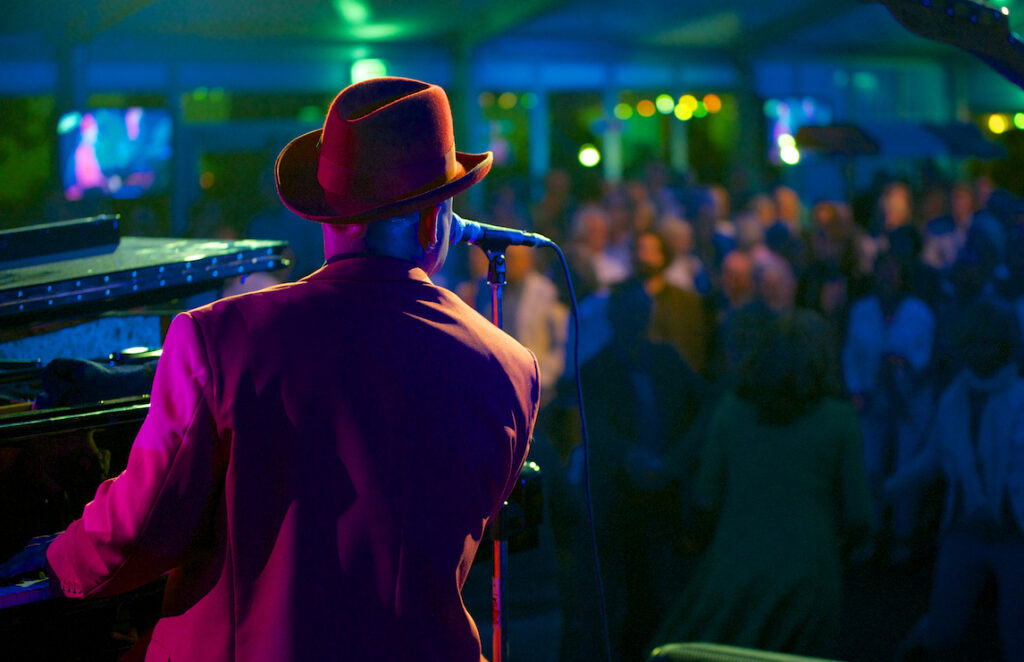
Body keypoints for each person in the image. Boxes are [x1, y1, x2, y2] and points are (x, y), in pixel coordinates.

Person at [0, 76, 541, 662]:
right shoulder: (513, 367)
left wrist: (54, 558)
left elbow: (140, 530)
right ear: (437, 222)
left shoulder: (220, 337)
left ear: (324, 211)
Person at [651, 310, 872, 658]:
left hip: (734, 568)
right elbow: (859, 515)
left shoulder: (732, 412)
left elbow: (706, 499)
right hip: (809, 573)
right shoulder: (839, 420)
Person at [887, 299, 1024, 662]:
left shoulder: (1019, 398)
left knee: (1016, 637)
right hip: (964, 531)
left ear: (1004, 346)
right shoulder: (953, 399)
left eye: (988, 343)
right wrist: (889, 488)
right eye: (973, 343)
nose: (980, 352)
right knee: (942, 626)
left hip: (1015, 536)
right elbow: (932, 457)